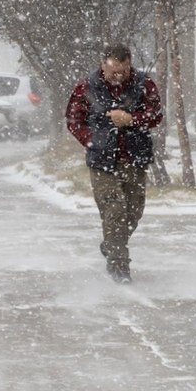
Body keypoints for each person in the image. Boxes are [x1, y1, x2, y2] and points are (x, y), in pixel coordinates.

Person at [65, 43, 163, 283]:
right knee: (114, 209)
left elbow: (156, 115)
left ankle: (111, 244)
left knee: (134, 210)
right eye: (113, 71)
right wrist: (93, 141)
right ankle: (119, 266)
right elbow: (74, 119)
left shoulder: (143, 83)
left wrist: (132, 119)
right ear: (103, 65)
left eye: (123, 71)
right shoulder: (87, 86)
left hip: (135, 156)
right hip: (102, 160)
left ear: (130, 65)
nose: (118, 76)